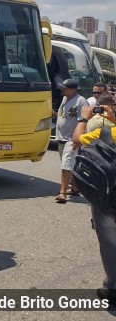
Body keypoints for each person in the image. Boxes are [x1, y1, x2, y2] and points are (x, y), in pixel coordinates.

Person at [73, 103, 116, 306]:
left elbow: (77, 139)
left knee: (110, 243)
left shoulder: (107, 132)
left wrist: (83, 118)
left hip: (108, 199)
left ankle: (113, 288)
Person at [53, 78, 87, 203]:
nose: (62, 89)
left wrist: (78, 139)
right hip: (61, 137)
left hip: (71, 139)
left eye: (65, 88)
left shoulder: (81, 101)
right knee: (69, 165)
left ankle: (62, 192)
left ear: (73, 89)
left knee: (66, 166)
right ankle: (74, 188)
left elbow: (85, 120)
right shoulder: (64, 98)